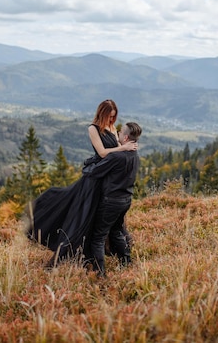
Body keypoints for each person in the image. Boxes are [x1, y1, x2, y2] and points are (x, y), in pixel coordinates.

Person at [25, 99, 137, 266]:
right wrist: (122, 148)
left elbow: (117, 154)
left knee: (103, 220)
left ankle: (109, 255)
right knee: (83, 216)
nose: (111, 120)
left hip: (107, 181)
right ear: (102, 113)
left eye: (114, 117)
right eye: (109, 116)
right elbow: (103, 153)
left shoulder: (113, 128)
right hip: (94, 180)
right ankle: (83, 256)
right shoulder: (93, 129)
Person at [83, 122, 142, 277]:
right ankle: (127, 263)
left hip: (111, 201)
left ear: (126, 137)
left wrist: (87, 165)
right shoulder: (134, 155)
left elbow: (94, 172)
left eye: (120, 132)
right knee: (116, 231)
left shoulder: (117, 156)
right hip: (126, 200)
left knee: (98, 238)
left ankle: (100, 274)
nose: (118, 133)